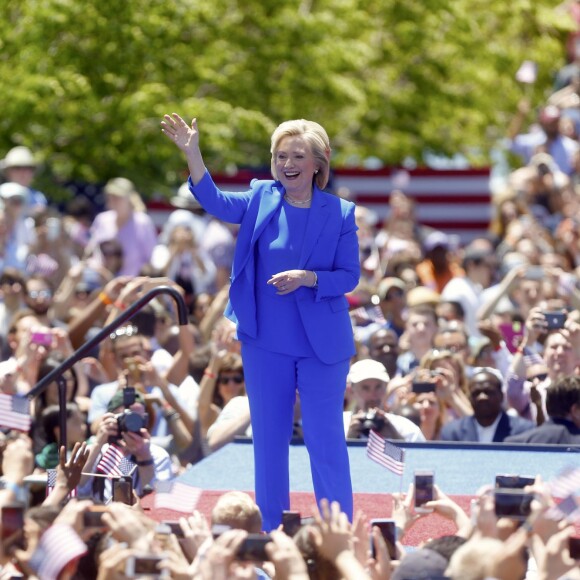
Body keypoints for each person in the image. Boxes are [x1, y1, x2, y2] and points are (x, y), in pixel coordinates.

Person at [162, 113, 359, 530]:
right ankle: (271, 530)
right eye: (281, 155)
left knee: (325, 441)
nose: (288, 163)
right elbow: (213, 201)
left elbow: (349, 276)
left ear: (319, 162)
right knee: (269, 442)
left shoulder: (340, 213)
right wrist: (192, 152)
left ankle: (337, 529)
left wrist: (309, 279)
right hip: (266, 341)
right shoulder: (260, 198)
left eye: (298, 155)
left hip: (322, 344)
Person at [439, 368, 534, 443]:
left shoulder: (524, 431)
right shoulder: (452, 433)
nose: (482, 397)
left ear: (501, 395)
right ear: (469, 397)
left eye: (488, 391)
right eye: (476, 392)